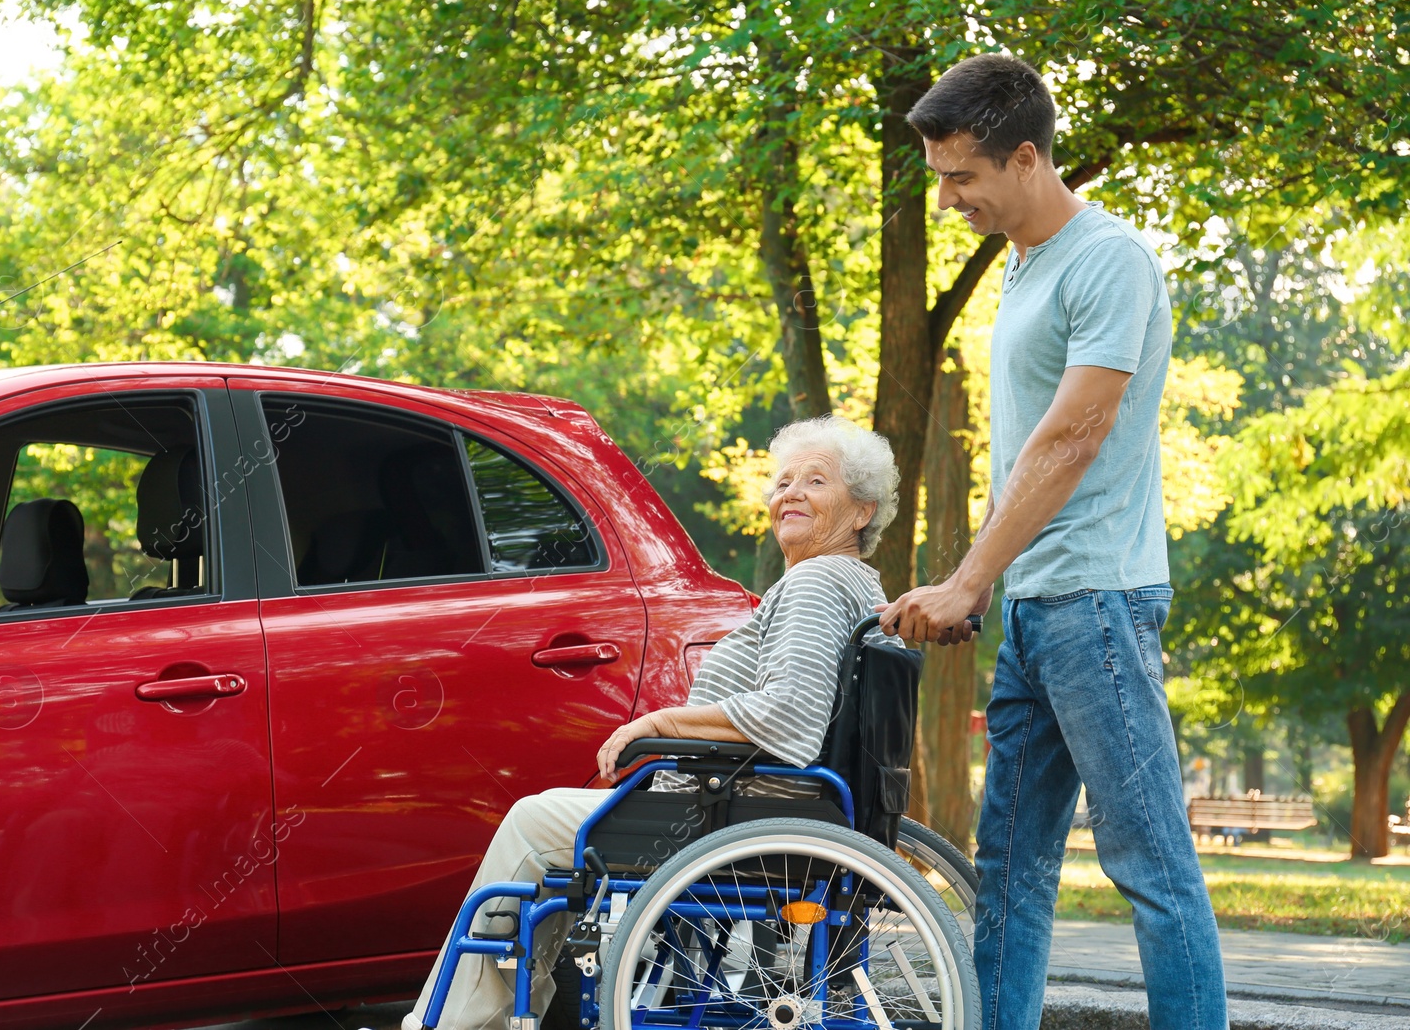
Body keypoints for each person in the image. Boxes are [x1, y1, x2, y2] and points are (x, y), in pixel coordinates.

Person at [875, 54, 1228, 1030]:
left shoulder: (1107, 257)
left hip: (1097, 602)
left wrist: (964, 576)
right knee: (1010, 868)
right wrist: (990, 586)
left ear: (1024, 157)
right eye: (938, 176)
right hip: (1036, 603)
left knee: (1150, 864)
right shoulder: (1026, 266)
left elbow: (1074, 438)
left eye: (962, 177)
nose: (946, 199)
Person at [402, 415, 899, 1030]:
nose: (790, 493)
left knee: (531, 823)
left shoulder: (819, 581)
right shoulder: (851, 584)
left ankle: (457, 1022)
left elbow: (789, 715)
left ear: (861, 512)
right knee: (557, 823)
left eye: (816, 481)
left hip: (736, 812)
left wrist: (661, 723)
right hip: (760, 806)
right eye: (783, 481)